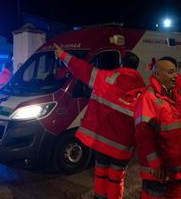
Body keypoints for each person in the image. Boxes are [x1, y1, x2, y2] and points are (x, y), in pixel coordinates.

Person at [55, 44, 145, 199]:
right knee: (116, 178)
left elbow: (82, 68)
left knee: (101, 173)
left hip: (101, 142)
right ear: (136, 68)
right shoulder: (143, 92)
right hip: (122, 147)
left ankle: (99, 197)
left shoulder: (104, 78)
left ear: (121, 64)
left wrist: (63, 55)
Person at [135, 59, 181, 199]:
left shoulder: (171, 96)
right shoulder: (148, 98)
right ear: (157, 75)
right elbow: (143, 134)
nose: (176, 75)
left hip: (174, 170)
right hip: (158, 174)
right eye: (171, 72)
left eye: (176, 72)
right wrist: (156, 163)